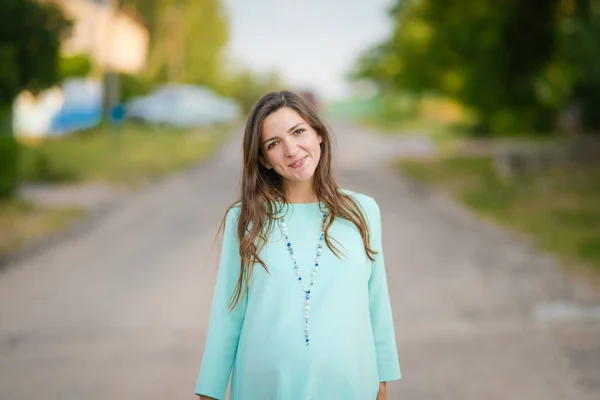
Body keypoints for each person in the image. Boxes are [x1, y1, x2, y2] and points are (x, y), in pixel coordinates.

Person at [195, 91, 401, 400]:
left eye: (298, 131)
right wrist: (209, 392)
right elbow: (228, 313)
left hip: (350, 385)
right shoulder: (246, 218)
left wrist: (382, 381)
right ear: (263, 159)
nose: (292, 149)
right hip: (266, 387)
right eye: (274, 143)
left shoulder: (363, 211)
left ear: (318, 133)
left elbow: (377, 304)